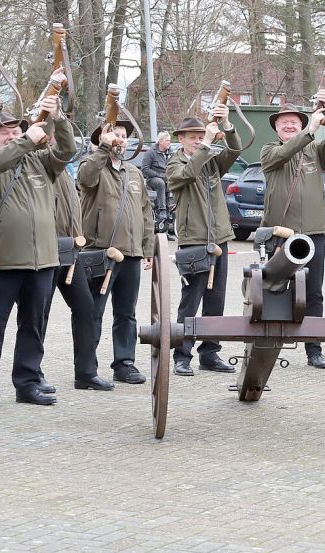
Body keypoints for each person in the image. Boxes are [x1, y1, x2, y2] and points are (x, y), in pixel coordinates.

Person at [0, 91, 76, 407]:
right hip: (4, 260)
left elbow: (68, 150)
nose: (13, 135)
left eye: (17, 131)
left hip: (43, 260)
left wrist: (57, 118)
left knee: (33, 325)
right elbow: (2, 159)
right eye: (6, 132)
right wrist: (28, 139)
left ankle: (28, 382)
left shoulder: (41, 161)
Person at [260, 92, 325, 369]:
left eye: (294, 121)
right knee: (274, 289)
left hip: (314, 233)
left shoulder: (315, 151)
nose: (289, 125)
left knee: (314, 293)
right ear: (276, 127)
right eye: (284, 122)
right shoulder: (269, 151)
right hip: (280, 233)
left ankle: (314, 349)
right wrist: (309, 130)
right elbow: (285, 152)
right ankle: (268, 346)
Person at [78, 119, 155, 384]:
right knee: (93, 311)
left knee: (126, 313)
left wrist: (148, 247)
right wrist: (102, 149)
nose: (120, 139)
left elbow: (146, 211)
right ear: (103, 140)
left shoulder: (134, 173)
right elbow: (85, 179)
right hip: (100, 253)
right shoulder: (93, 166)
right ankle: (87, 368)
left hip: (131, 254)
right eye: (114, 135)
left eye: (123, 135)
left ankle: (124, 363)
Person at [169, 106, 242, 375]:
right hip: (194, 240)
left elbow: (234, 151)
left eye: (201, 136)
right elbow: (185, 175)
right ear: (181, 139)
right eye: (192, 137)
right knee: (190, 300)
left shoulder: (211, 161)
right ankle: (182, 354)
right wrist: (208, 144)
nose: (198, 140)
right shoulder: (175, 162)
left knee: (216, 300)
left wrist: (228, 125)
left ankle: (210, 353)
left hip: (219, 237)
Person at [42, 166, 115, 392]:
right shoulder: (41, 165)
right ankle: (32, 373)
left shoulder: (65, 169)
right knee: (38, 313)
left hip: (71, 250)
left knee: (86, 308)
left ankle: (86, 373)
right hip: (46, 248)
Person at [141, 131, 172, 233]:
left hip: (166, 180)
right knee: (160, 183)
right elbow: (145, 169)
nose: (169, 143)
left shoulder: (170, 152)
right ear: (161, 141)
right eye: (167, 141)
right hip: (153, 179)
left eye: (170, 141)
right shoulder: (151, 152)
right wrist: (159, 175)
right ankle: (162, 210)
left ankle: (165, 228)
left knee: (169, 187)